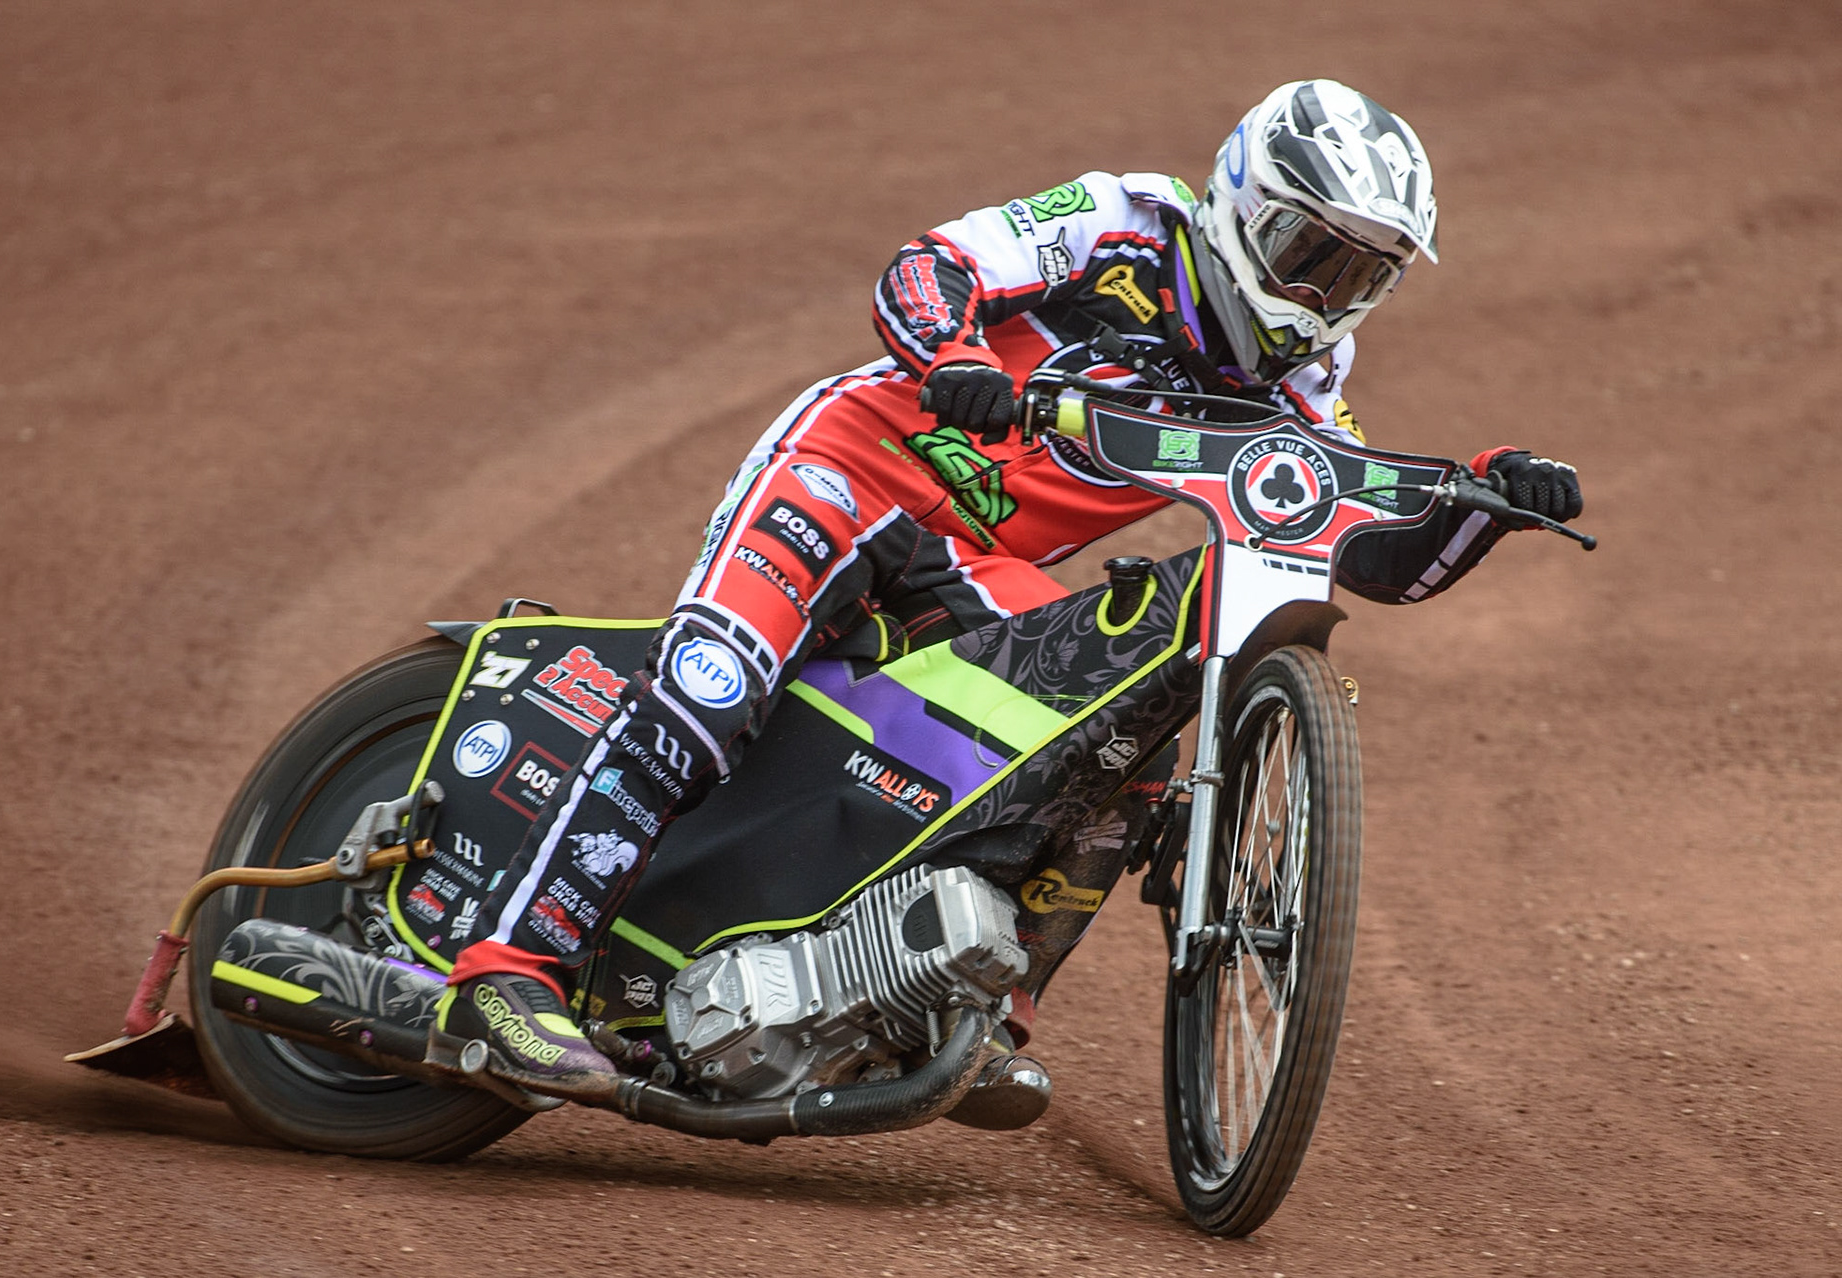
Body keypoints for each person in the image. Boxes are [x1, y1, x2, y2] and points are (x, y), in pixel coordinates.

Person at [438, 79, 1583, 1086]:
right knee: (710, 689)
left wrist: (1480, 503)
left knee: (1124, 729)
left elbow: (1357, 549)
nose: (1324, 294)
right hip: (850, 476)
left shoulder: (1306, 376)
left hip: (970, 568)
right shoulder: (1122, 223)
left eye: (1359, 273)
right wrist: (960, 362)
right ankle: (502, 975)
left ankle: (975, 1012)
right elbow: (926, 268)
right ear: (1243, 204)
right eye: (1310, 253)